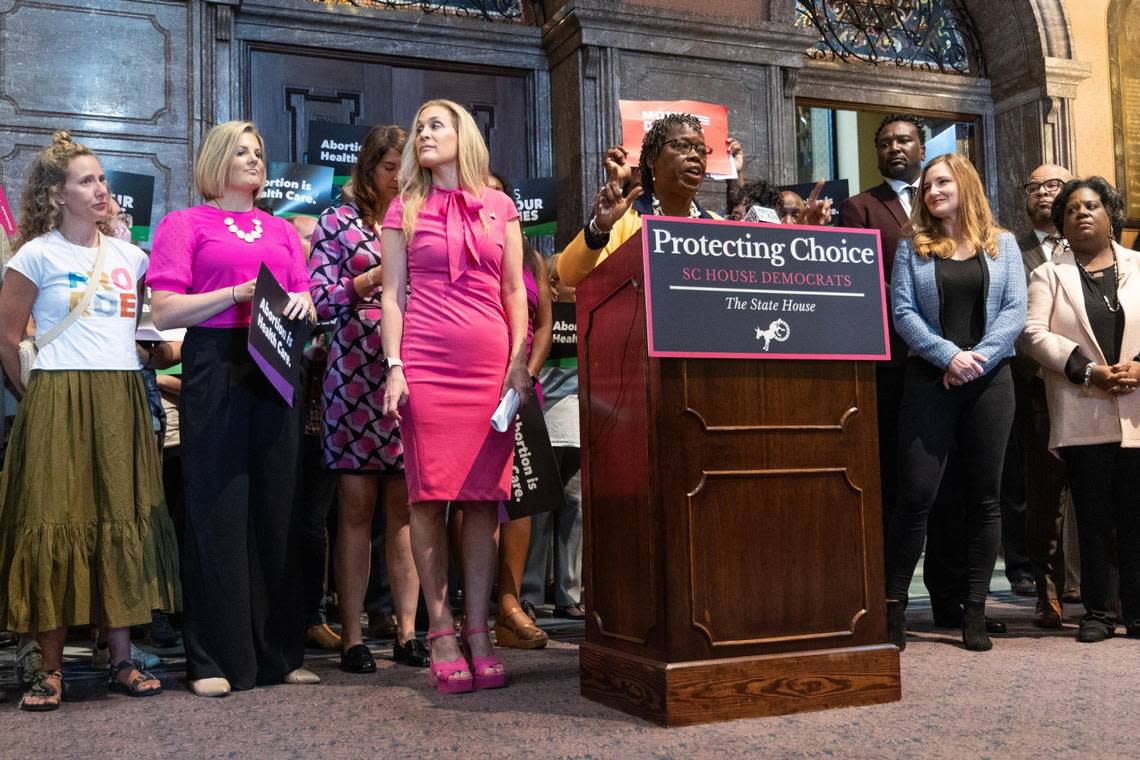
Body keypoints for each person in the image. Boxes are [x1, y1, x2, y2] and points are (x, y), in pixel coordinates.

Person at [0, 131, 179, 710]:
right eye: (86, 180)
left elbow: (155, 336)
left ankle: (121, 659)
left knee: (119, 517)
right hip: (58, 396)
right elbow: (6, 337)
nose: (101, 189)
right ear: (56, 195)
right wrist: (36, 394)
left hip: (121, 394)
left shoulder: (132, 256)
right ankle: (50, 668)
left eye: (101, 178)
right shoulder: (35, 254)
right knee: (54, 517)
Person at [148, 120, 319, 696]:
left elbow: (308, 303)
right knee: (217, 506)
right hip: (215, 361)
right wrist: (235, 294)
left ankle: (278, 653)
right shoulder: (183, 223)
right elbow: (166, 312)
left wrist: (302, 305)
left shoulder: (280, 231)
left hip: (276, 359)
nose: (254, 159)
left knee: (277, 504)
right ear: (217, 160)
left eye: (260, 151)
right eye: (242, 151)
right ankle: (214, 659)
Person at [380, 99, 529, 693]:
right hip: (426, 364)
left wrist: (518, 362)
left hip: (491, 368)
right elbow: (392, 295)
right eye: (419, 128)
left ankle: (479, 631)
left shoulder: (500, 206)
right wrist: (394, 365)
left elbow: (516, 291)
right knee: (426, 499)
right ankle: (439, 630)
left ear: (462, 135)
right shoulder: (404, 207)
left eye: (434, 125)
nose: (423, 134)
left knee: (480, 502)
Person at [884, 153, 1026, 652]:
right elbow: (902, 311)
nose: (931, 192)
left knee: (985, 500)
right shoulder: (914, 247)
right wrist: (948, 356)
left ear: (966, 183)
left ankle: (975, 611)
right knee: (916, 496)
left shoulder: (1003, 245)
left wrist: (977, 360)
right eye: (926, 187)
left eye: (941, 182)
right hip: (930, 381)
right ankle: (894, 609)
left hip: (991, 383)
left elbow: (1014, 312)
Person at [308, 124, 428, 672]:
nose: (398, 179)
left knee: (404, 511)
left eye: (405, 171)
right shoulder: (336, 220)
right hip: (355, 371)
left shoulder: (421, 216)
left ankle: (407, 633)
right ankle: (354, 636)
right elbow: (319, 300)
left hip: (411, 367)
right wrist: (374, 278)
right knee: (355, 508)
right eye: (388, 169)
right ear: (367, 169)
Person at [1022, 177, 1140, 643]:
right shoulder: (1048, 274)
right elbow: (1032, 335)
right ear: (1061, 224)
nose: (1082, 214)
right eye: (1071, 210)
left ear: (1111, 214)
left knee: (1136, 516)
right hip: (1083, 409)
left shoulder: (1139, 266)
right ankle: (1097, 613)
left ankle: (1138, 611)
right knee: (1092, 519)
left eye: (1092, 206)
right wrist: (1087, 370)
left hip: (1136, 411)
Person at [482, 172, 553, 649]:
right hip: (475, 385)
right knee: (479, 498)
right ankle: (479, 606)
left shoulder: (531, 257)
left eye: (498, 190)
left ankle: (509, 604)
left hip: (520, 389)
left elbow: (544, 322)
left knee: (520, 496)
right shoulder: (469, 246)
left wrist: (525, 371)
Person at [1008, 164, 1076, 627]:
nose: (1044, 193)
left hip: (1097, 386)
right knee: (1042, 493)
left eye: (1054, 185)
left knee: (1097, 491)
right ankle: (1045, 593)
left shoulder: (1100, 249)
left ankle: (1098, 587)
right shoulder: (1010, 247)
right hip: (1034, 385)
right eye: (1034, 187)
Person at [558, 114, 721, 287]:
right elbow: (568, 276)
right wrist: (600, 228)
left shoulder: (720, 227)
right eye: (682, 146)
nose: (696, 156)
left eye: (702, 150)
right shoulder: (623, 221)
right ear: (652, 158)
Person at [522, 252, 584, 619]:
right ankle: (530, 592)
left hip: (579, 426)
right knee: (539, 510)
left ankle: (569, 592)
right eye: (574, 278)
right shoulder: (539, 320)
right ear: (554, 284)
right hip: (545, 422)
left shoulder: (588, 317)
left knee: (575, 509)